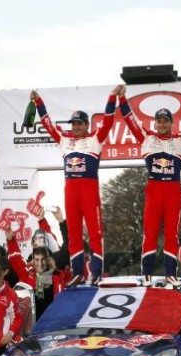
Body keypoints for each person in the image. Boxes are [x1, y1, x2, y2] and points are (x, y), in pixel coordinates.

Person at [31, 85, 122, 286]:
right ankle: (78, 272)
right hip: (71, 192)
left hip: (89, 192)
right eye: (74, 124)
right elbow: (47, 124)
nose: (76, 127)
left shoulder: (95, 138)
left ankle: (96, 273)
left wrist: (112, 97)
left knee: (95, 233)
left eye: (80, 124)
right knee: (73, 235)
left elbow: (108, 121)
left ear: (87, 125)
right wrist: (38, 102)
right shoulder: (65, 139)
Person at [118, 85, 181, 286]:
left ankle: (170, 274)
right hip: (154, 189)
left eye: (166, 121)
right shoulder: (147, 138)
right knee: (150, 232)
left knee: (172, 235)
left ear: (171, 123)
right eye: (159, 121)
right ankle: (147, 274)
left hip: (173, 189)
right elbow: (131, 121)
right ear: (155, 123)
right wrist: (122, 100)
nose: (162, 124)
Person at [6, 227, 65, 319]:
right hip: (29, 324)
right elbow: (15, 259)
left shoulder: (56, 276)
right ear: (33, 260)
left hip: (48, 323)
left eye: (43, 260)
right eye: (37, 260)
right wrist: (11, 240)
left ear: (48, 260)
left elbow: (60, 302)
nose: (40, 263)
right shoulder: (26, 272)